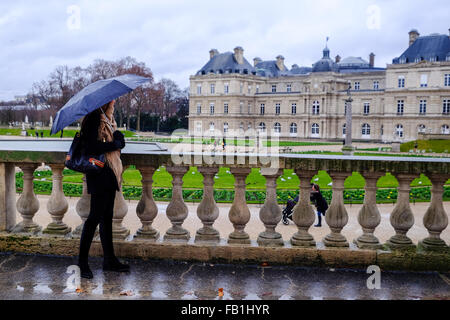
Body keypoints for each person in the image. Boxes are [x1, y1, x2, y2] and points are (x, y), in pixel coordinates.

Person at [77, 99, 128, 279]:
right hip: (99, 173)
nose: (113, 104)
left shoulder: (107, 120)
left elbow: (108, 142)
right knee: (93, 219)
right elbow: (91, 147)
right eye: (111, 102)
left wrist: (118, 138)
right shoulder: (93, 118)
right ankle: (82, 263)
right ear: (104, 102)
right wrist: (114, 144)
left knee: (106, 218)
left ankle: (109, 260)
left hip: (109, 172)